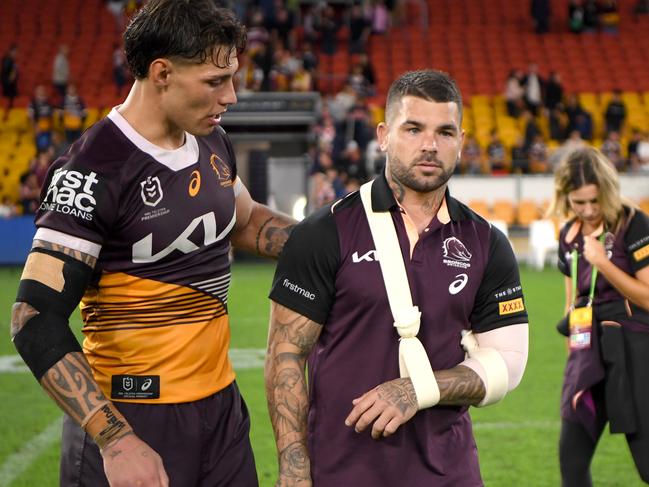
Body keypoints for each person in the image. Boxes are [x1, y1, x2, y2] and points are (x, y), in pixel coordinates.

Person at [10, 2, 296, 486]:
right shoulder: (92, 168)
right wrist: (115, 440)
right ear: (162, 72)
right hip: (132, 419)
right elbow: (34, 319)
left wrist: (346, 242)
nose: (230, 96)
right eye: (215, 81)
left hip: (221, 410)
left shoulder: (212, 141)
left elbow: (245, 222)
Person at [265, 70, 529, 486]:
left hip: (449, 472)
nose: (429, 145)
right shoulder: (322, 233)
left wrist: (414, 390)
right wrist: (294, 473)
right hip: (343, 470)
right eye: (413, 129)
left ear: (460, 141)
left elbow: (507, 365)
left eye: (444, 132)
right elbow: (286, 358)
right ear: (384, 135)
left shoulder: (486, 242)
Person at [547, 147, 649, 485]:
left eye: (594, 200)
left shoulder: (633, 223)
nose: (588, 210)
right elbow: (571, 304)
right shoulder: (568, 236)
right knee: (571, 465)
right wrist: (573, 362)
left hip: (634, 354)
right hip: (587, 356)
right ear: (565, 197)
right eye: (579, 202)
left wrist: (603, 262)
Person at [1, 44, 19, 110]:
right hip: (8, 84)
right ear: (11, 51)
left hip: (11, 84)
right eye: (15, 52)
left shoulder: (12, 60)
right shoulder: (7, 60)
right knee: (8, 99)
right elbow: (6, 71)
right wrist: (10, 79)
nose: (16, 53)